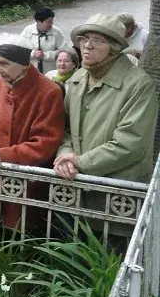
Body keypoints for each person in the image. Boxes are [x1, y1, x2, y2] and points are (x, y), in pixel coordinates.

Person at [0, 33, 65, 230]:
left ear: (24, 64)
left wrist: (4, 155)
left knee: (24, 235)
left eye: (4, 63)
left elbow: (46, 141)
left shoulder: (49, 91)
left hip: (27, 187)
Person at [54, 15, 157, 185]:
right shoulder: (78, 78)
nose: (87, 45)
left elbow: (131, 144)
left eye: (97, 40)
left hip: (118, 193)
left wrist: (81, 162)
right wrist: (64, 157)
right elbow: (65, 128)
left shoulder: (139, 84)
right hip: (76, 184)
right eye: (84, 39)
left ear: (115, 48)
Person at [20, 8, 66, 74]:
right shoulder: (28, 31)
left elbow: (65, 51)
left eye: (52, 21)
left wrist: (46, 55)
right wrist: (33, 53)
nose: (51, 24)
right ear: (39, 22)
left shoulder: (56, 32)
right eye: (48, 22)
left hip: (50, 72)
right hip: (29, 71)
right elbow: (19, 50)